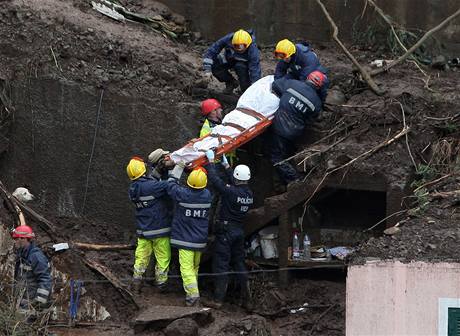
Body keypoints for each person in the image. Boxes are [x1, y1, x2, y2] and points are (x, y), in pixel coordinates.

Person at [203, 150, 254, 309]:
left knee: (221, 264)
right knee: (239, 263)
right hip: (239, 232)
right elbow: (237, 182)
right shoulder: (248, 194)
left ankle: (218, 300)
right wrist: (226, 166)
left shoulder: (231, 192)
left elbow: (216, 181)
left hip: (226, 233)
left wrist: (210, 163)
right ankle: (248, 300)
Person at [269, 71, 327, 184]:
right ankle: (283, 179)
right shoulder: (316, 102)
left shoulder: (292, 84)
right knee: (287, 153)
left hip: (279, 128)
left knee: (276, 157)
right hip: (295, 132)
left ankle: (296, 180)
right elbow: (314, 117)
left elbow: (275, 85)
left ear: (307, 78)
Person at [167, 168, 212, 306]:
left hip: (185, 239)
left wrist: (179, 168)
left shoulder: (183, 194)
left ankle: (193, 296)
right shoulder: (207, 195)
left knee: (186, 268)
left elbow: (170, 185)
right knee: (194, 267)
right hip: (199, 240)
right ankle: (193, 290)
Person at [126, 157, 171, 293]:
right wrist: (176, 171)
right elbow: (168, 185)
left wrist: (157, 171)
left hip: (144, 230)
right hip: (160, 229)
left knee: (141, 257)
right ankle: (161, 285)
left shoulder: (132, 189)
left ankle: (136, 282)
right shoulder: (151, 186)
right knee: (163, 257)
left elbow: (149, 184)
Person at [203, 29, 262, 94]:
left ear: (248, 45)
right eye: (236, 46)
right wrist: (207, 70)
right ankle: (231, 82)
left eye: (242, 46)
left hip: (243, 64)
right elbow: (211, 51)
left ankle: (244, 91)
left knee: (240, 68)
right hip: (229, 58)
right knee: (215, 64)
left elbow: (255, 69)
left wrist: (255, 86)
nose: (239, 49)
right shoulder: (228, 38)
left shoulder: (253, 49)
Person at [12, 225, 52, 318]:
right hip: (23, 303)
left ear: (24, 239)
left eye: (16, 239)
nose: (15, 242)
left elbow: (45, 280)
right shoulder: (22, 255)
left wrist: (39, 303)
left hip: (31, 306)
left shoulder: (36, 257)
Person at [273, 39, 328, 103]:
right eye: (281, 57)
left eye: (285, 58)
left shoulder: (308, 59)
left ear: (292, 54)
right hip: (297, 73)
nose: (284, 60)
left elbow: (304, 83)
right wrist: (279, 84)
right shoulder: (286, 55)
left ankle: (320, 103)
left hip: (312, 79)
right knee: (277, 84)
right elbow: (280, 70)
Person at [199, 98, 236, 165]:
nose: (221, 110)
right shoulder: (206, 130)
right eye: (219, 108)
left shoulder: (221, 123)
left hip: (227, 161)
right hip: (218, 165)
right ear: (213, 112)